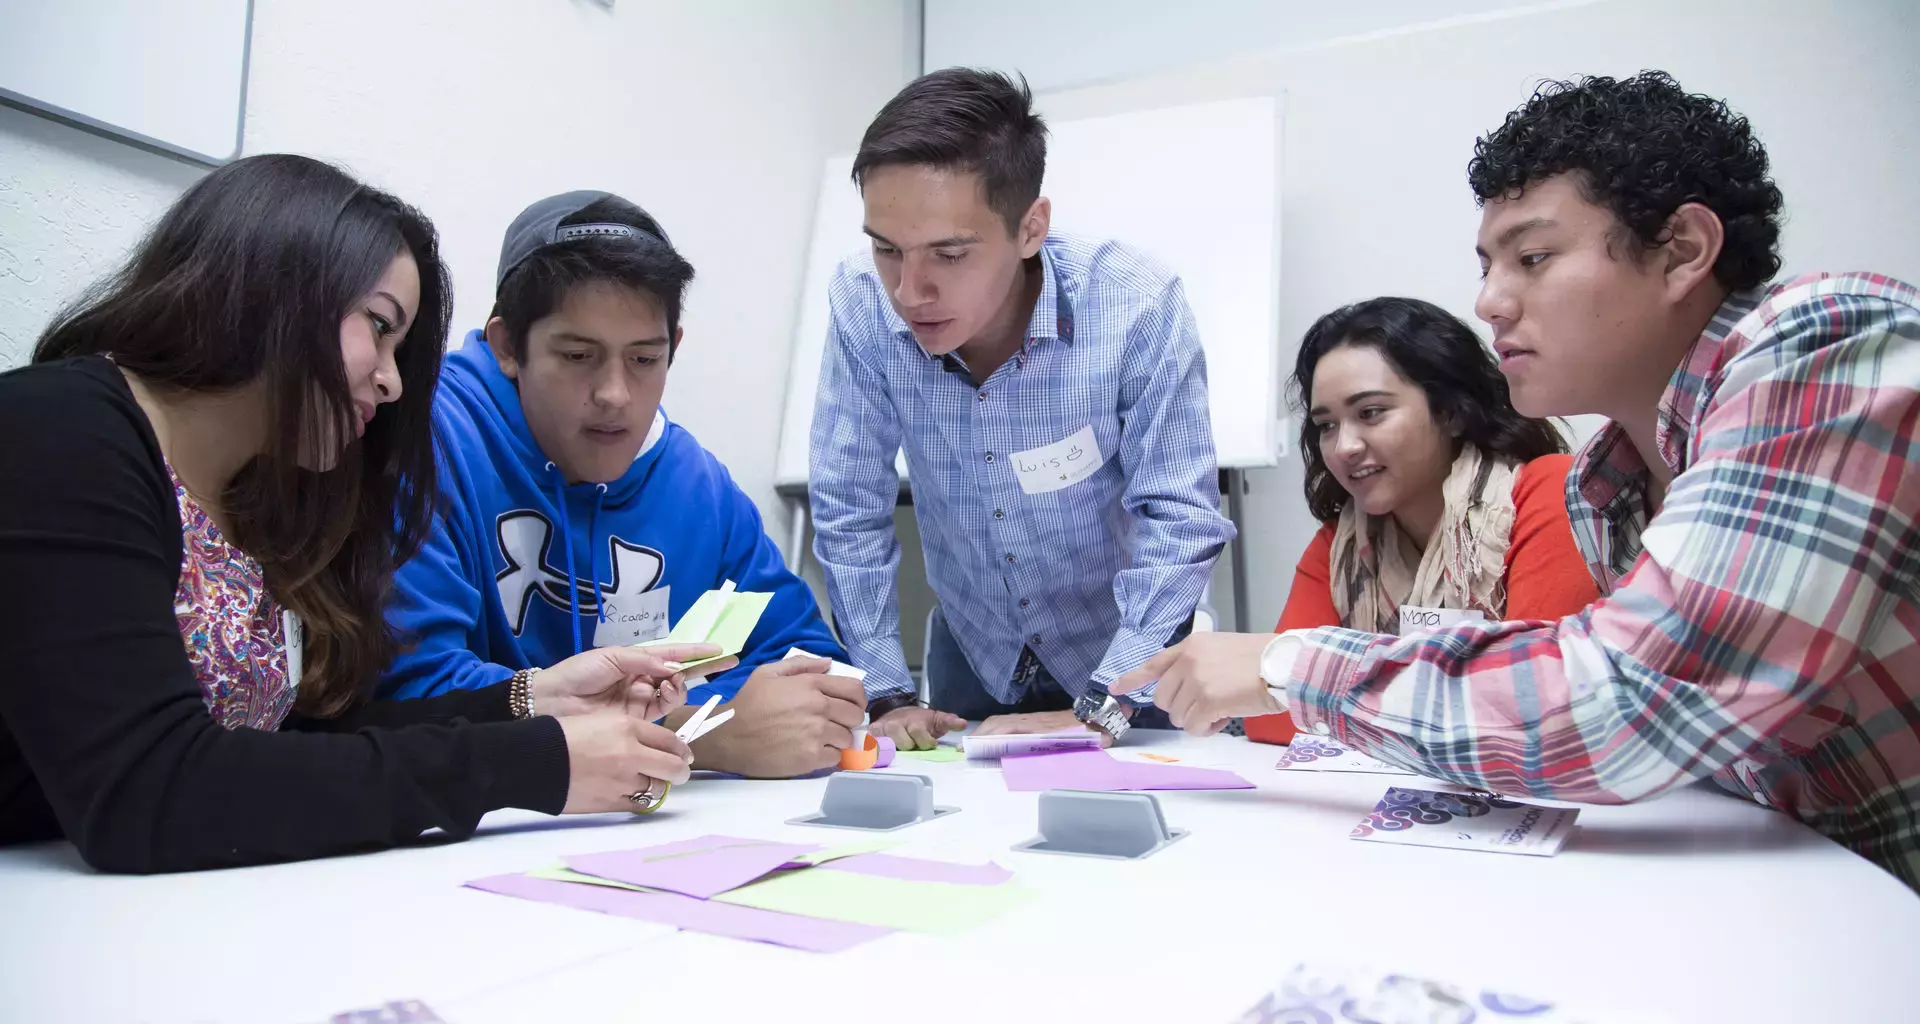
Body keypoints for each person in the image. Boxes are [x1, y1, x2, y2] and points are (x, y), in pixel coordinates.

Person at [1117, 72, 1920, 891]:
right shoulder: (1608, 485)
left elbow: (1615, 708)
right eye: (1490, 264)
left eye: (1533, 258)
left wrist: (1289, 666)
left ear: (1681, 250)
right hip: (1798, 887)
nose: (1490, 301)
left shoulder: (1820, 347)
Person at [0, 155, 722, 873]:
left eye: (400, 346)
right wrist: (535, 762)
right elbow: (147, 791)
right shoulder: (60, 431)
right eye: (377, 328)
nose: (390, 379)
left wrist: (530, 698)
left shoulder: (267, 495)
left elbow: (296, 744)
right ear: (270, 289)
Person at [810, 67, 1236, 751]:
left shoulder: (1134, 305)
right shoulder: (862, 303)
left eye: (949, 254)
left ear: (1031, 227)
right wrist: (886, 691)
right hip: (975, 655)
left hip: (1132, 659)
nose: (909, 290)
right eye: (887, 248)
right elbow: (848, 505)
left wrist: (1106, 704)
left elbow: (1180, 519)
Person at [378, 191, 859, 780]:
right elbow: (413, 693)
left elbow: (809, 669)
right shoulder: (423, 444)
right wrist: (701, 729)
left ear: (672, 349)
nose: (614, 395)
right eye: (578, 355)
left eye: (644, 360)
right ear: (508, 347)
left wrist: (715, 714)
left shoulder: (696, 488)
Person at [1242, 297, 1600, 745]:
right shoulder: (1340, 545)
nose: (1343, 446)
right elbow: (1269, 717)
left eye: (1370, 413)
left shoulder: (1547, 491)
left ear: (1449, 411)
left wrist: (1325, 687)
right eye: (1327, 425)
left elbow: (1535, 709)